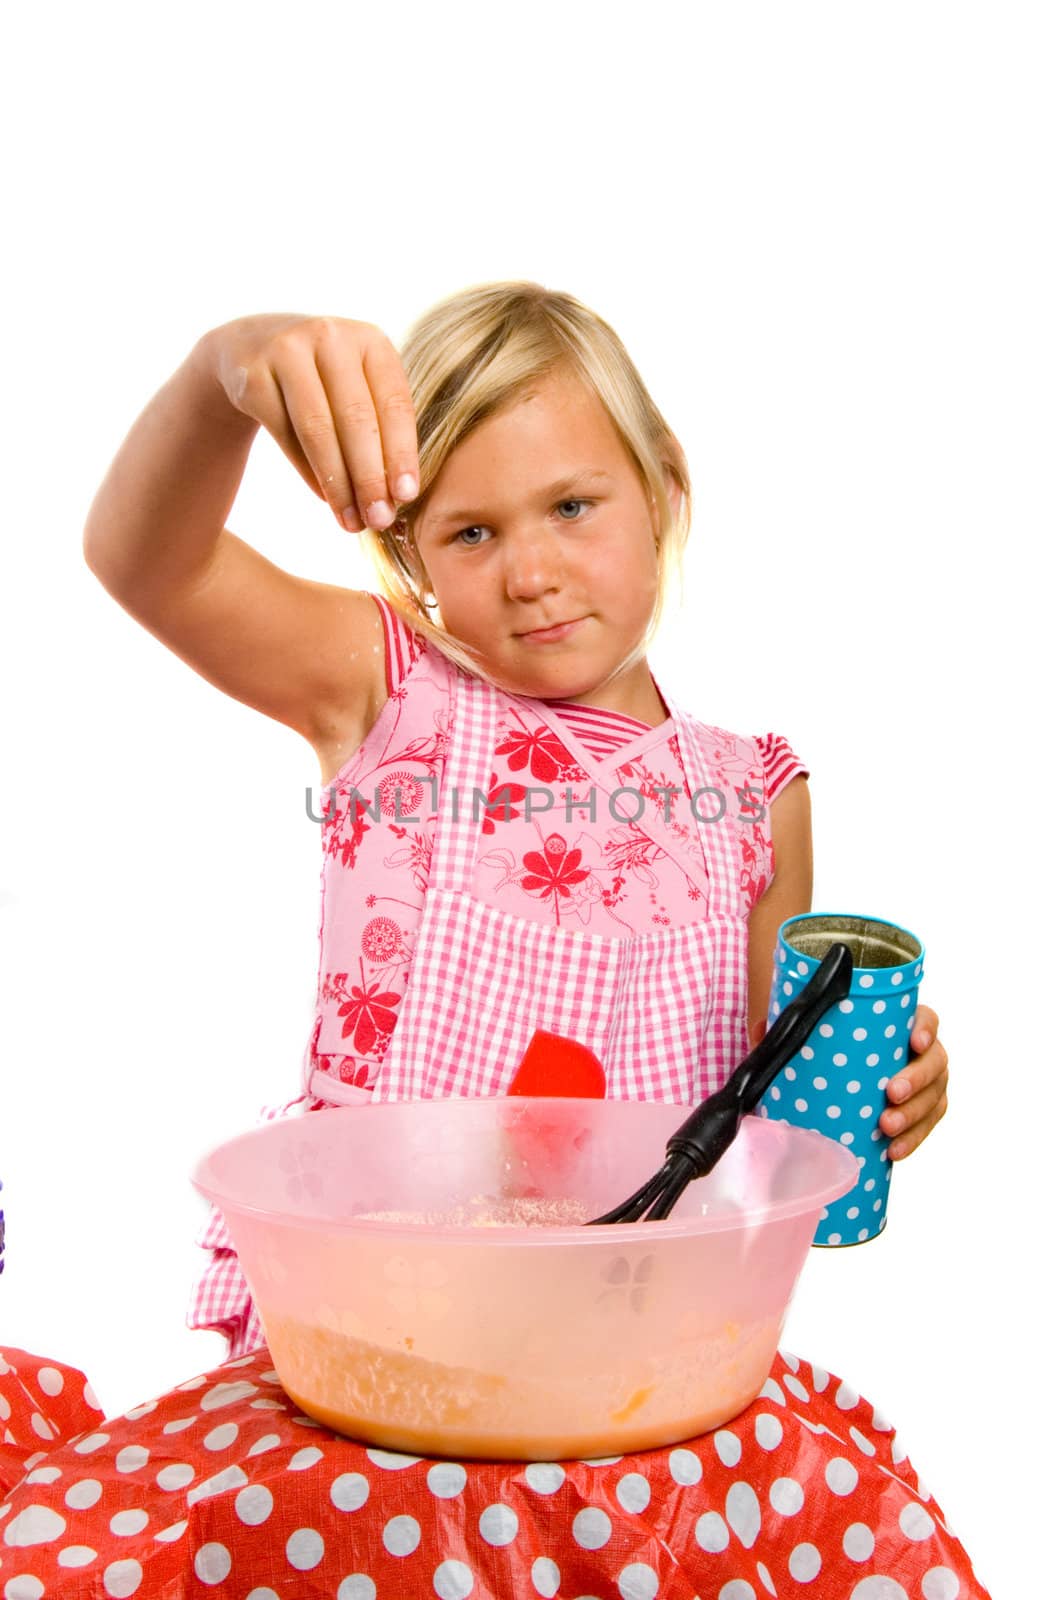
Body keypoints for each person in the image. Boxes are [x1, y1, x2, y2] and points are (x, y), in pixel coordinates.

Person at [0, 285, 983, 1597]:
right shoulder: (391, 698)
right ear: (414, 567)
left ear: (664, 493)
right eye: (471, 530)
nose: (529, 570)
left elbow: (775, 1112)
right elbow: (145, 561)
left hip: (642, 1410)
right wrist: (218, 371)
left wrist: (900, 1085)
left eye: (573, 507)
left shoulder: (757, 793)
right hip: (378, 1387)